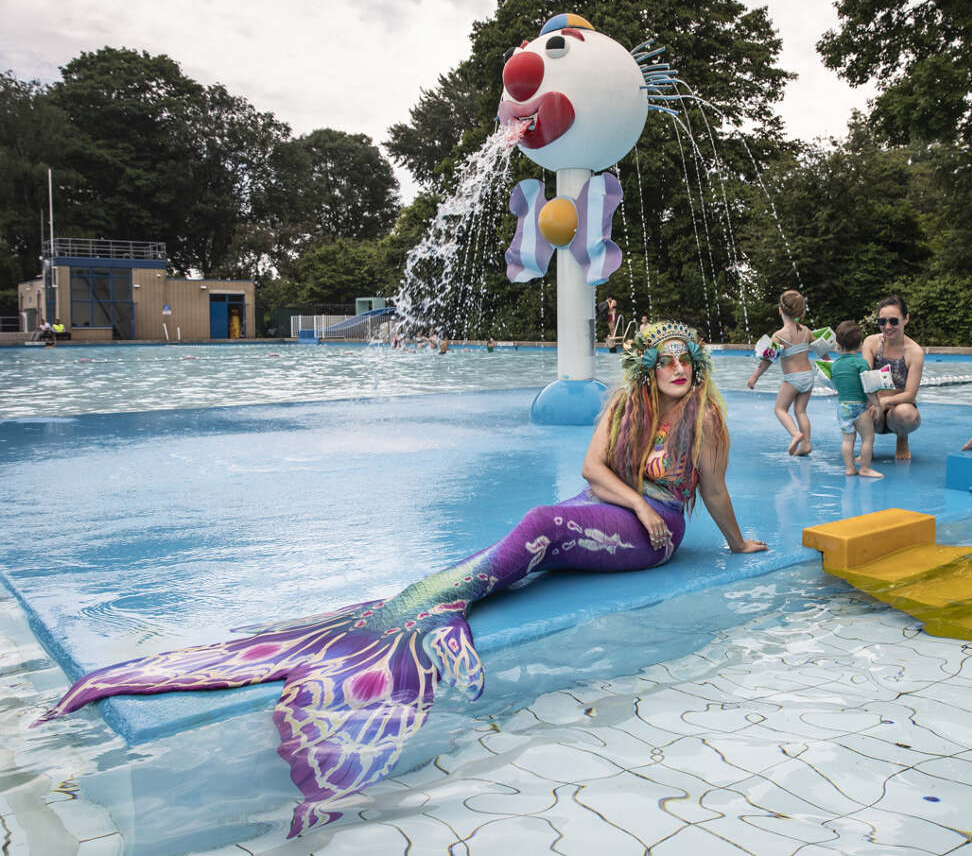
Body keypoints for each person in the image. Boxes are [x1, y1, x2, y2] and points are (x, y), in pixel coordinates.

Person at [33, 319, 766, 839]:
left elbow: (716, 490)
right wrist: (631, 492)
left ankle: (442, 601)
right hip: (615, 507)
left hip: (653, 533)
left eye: (689, 361)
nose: (679, 369)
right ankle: (426, 606)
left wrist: (733, 544)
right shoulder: (626, 402)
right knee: (538, 534)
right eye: (668, 359)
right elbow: (592, 470)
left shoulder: (702, 418)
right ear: (647, 366)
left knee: (542, 524)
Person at [746, 289, 824, 455]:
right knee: (801, 411)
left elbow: (767, 360)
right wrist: (828, 361)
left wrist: (754, 377)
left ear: (780, 310)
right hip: (808, 377)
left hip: (792, 379)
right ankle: (806, 444)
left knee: (780, 409)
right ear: (801, 312)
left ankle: (795, 434)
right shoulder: (806, 331)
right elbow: (821, 348)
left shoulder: (779, 336)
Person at [860, 295, 924, 460]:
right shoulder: (871, 343)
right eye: (882, 322)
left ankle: (902, 437)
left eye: (893, 321)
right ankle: (867, 443)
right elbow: (864, 377)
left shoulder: (914, 352)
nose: (887, 327)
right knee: (852, 404)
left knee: (907, 414)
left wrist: (884, 402)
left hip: (897, 410)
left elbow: (910, 394)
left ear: (906, 319)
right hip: (873, 407)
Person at [829, 320, 883, 477]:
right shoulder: (861, 364)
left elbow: (835, 385)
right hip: (859, 407)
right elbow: (869, 388)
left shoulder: (835, 366)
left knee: (847, 440)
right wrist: (877, 405)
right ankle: (865, 469)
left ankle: (850, 468)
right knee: (868, 438)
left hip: (843, 407)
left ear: (837, 344)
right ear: (860, 345)